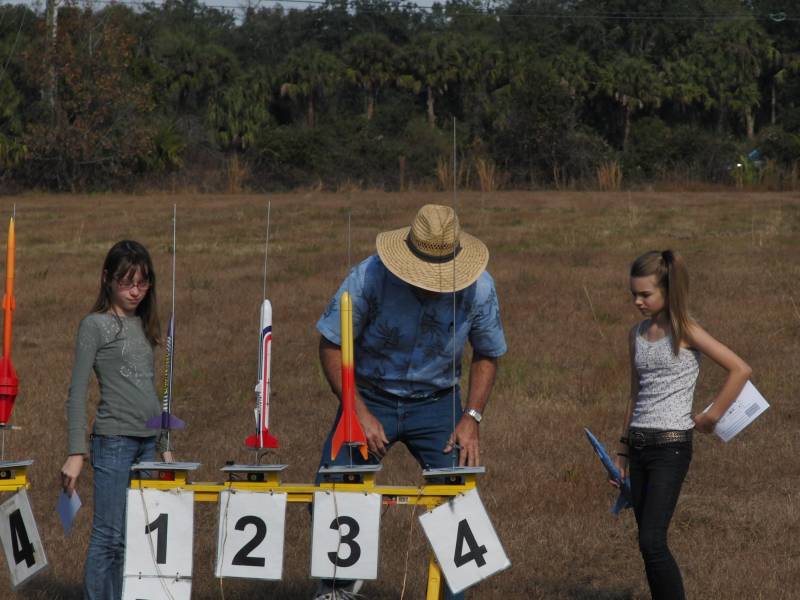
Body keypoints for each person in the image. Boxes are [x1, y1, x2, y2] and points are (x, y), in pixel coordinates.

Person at [314, 204, 507, 599]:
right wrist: (357, 411)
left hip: (438, 402)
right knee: (333, 492)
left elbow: (488, 352)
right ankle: (336, 588)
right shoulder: (368, 277)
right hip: (370, 395)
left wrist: (471, 417)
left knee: (458, 501)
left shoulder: (480, 288)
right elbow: (332, 343)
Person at [611, 250, 751, 600]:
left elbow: (739, 369)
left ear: (668, 291)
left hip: (670, 448)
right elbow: (635, 393)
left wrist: (711, 417)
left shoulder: (685, 331)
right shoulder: (636, 334)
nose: (637, 301)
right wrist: (622, 452)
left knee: (652, 540)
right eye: (633, 294)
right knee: (646, 544)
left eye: (645, 294)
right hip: (639, 445)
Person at [60, 240, 172, 600]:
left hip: (147, 444)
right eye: (127, 282)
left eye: (142, 283)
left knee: (134, 536)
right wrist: (76, 452)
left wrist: (164, 443)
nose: (135, 291)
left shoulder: (144, 325)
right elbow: (77, 391)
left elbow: (150, 391)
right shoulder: (94, 326)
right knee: (109, 536)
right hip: (114, 443)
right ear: (107, 279)